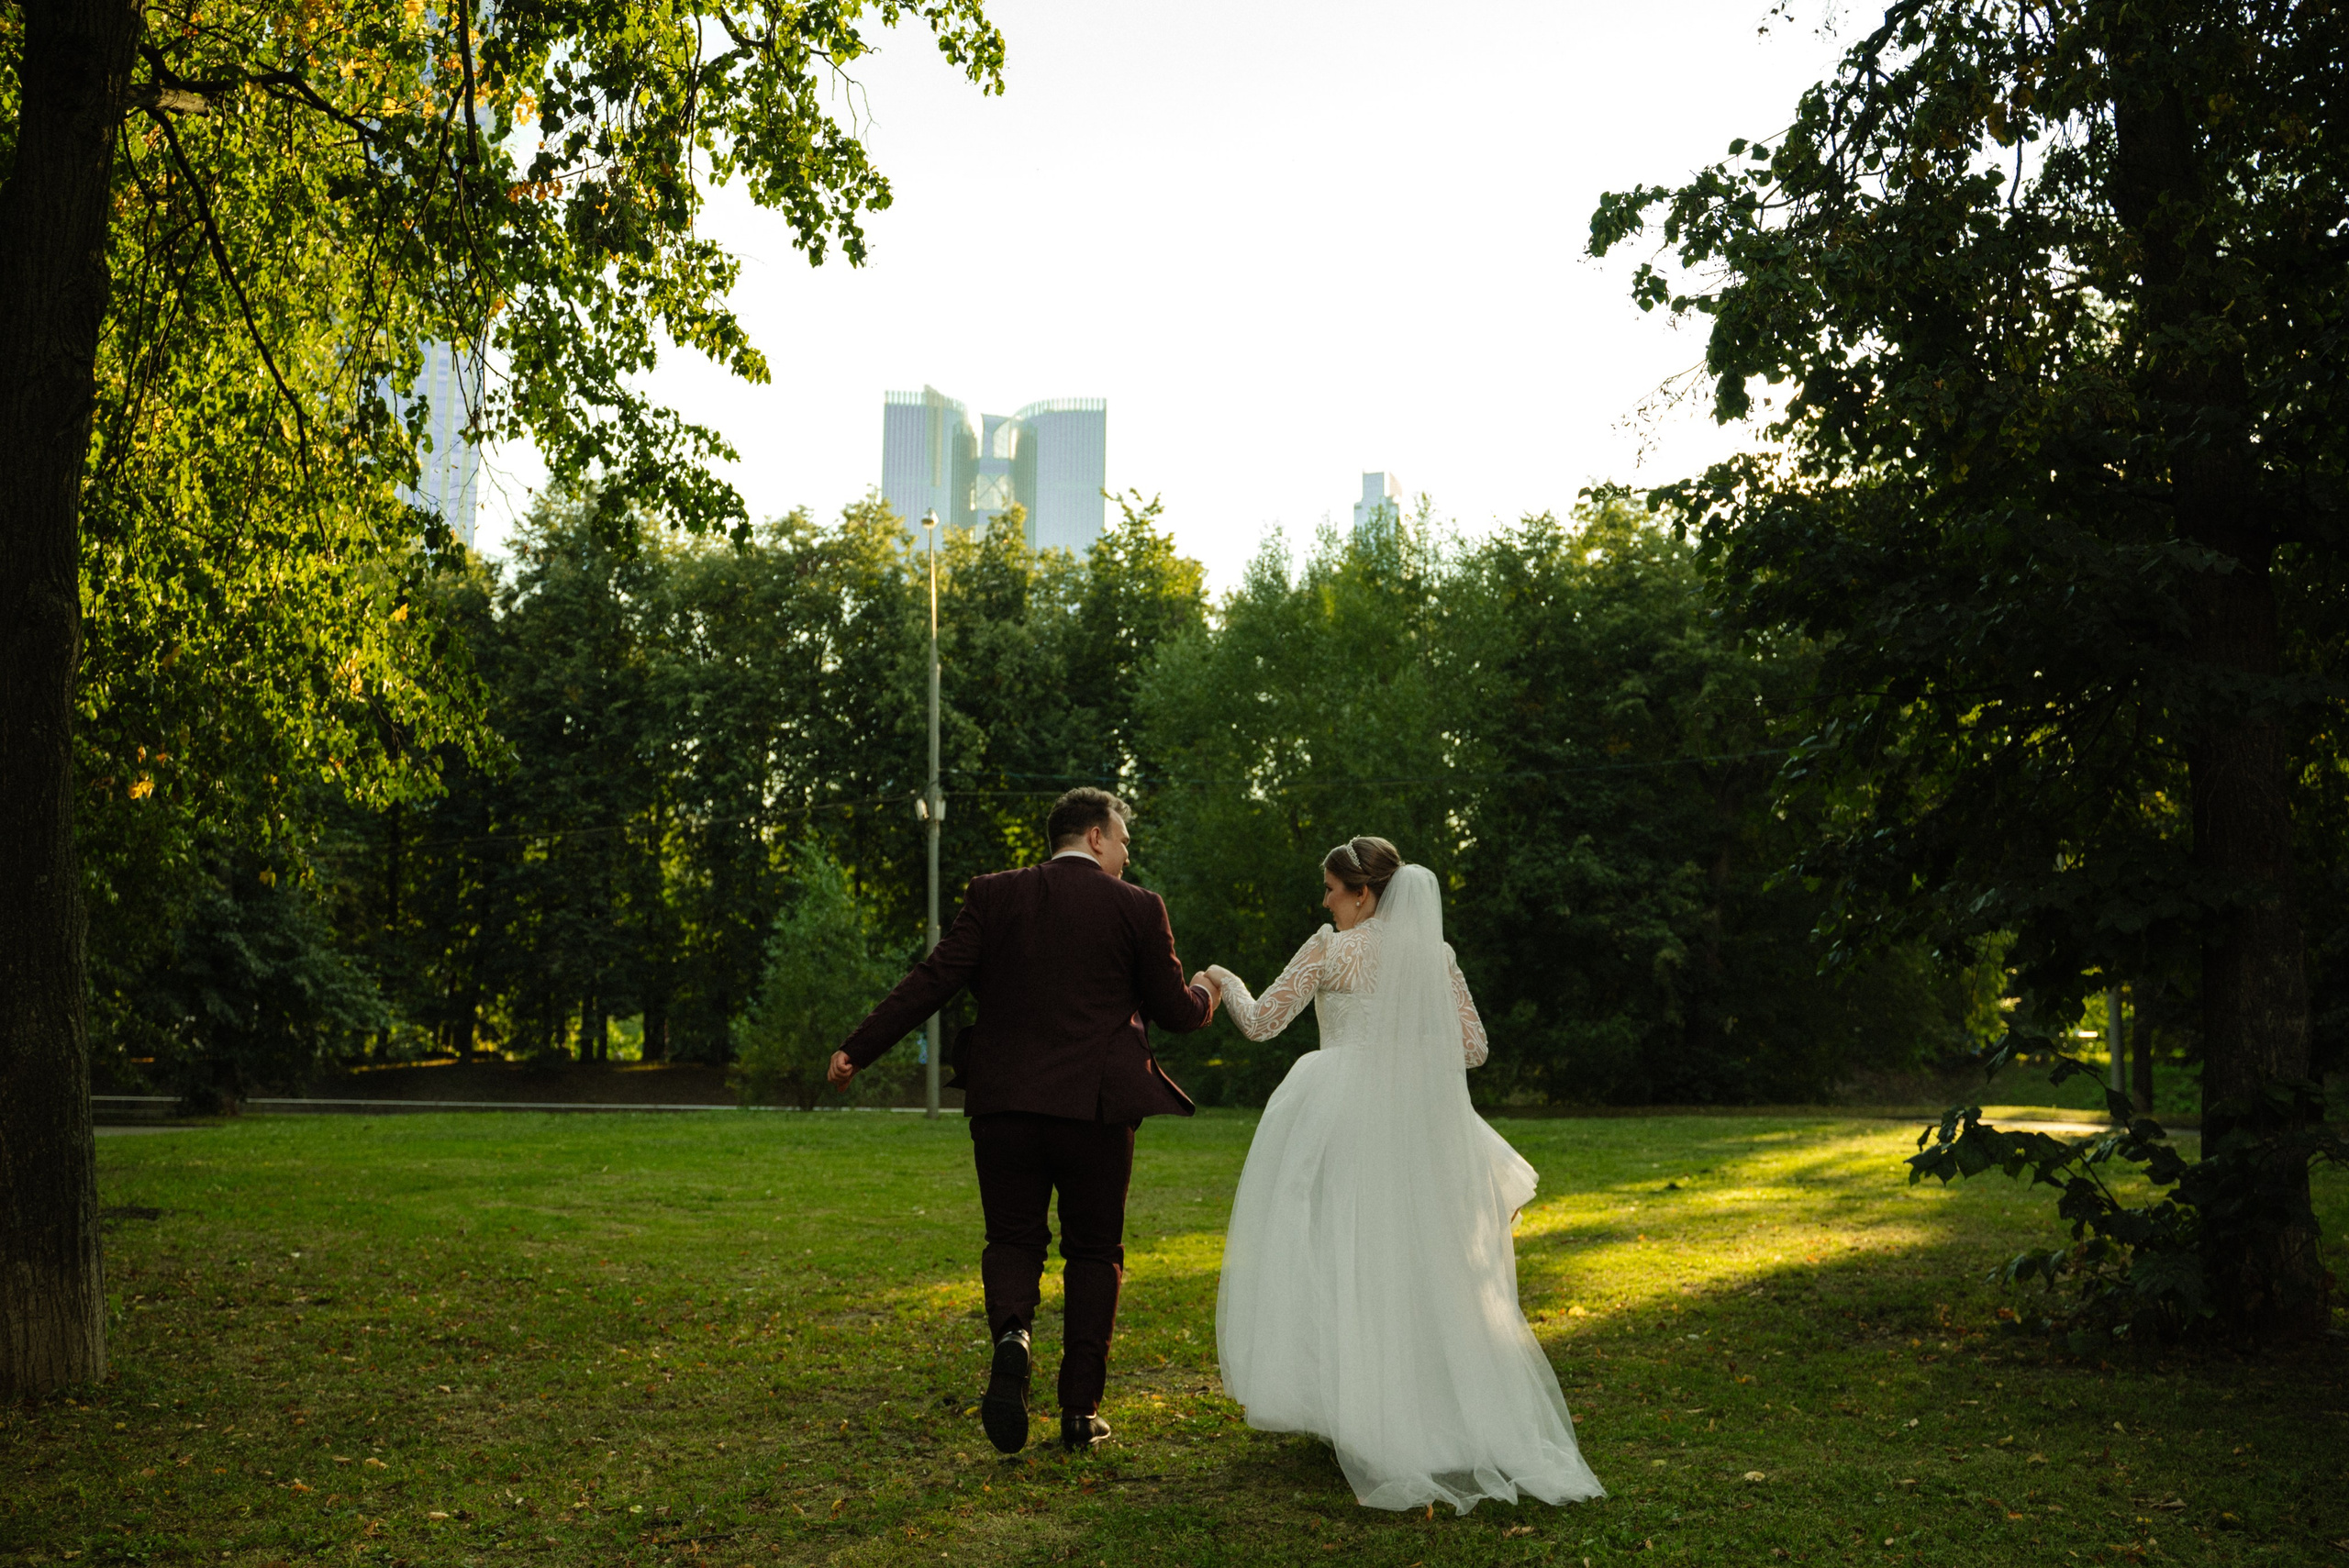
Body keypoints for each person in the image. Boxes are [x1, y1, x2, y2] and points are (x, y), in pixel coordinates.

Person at [1204, 837, 1605, 1513]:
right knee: (1418, 1260)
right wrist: (1406, 1047)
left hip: (1335, 1118)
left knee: (1343, 1255)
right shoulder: (1434, 955)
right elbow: (1473, 1047)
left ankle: (1360, 1413)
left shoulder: (1330, 949)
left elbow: (1262, 1021)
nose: (1325, 900)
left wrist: (1221, 977)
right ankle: (1428, 1412)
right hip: (1411, 1118)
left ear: (1363, 893)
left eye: (1332, 888)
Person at [830, 787, 1221, 1455]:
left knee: (1012, 1239)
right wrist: (1210, 988)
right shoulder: (1138, 907)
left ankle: (1013, 1335)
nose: (1128, 853)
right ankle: (1078, 1412)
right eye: (1123, 839)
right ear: (1095, 836)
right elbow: (1177, 1011)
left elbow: (932, 979)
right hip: (1095, 1111)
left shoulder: (993, 893)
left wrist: (855, 1049)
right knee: (1095, 1250)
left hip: (1005, 1104)